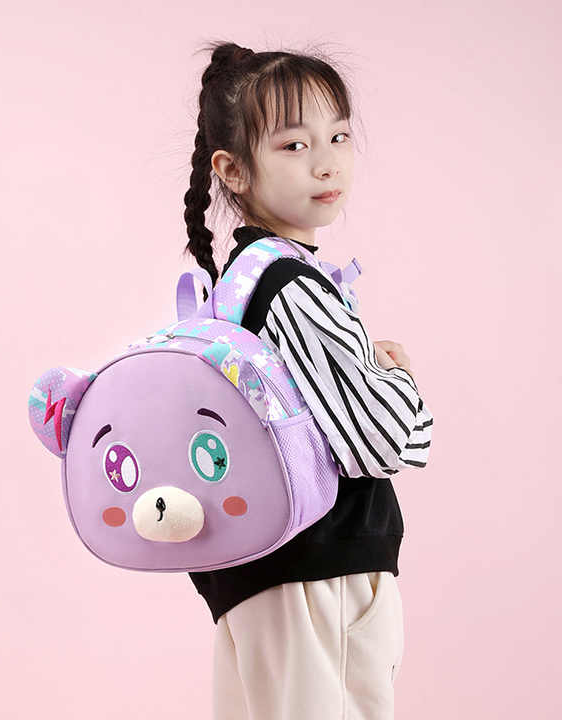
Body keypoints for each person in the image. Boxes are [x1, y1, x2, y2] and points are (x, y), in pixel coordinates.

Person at [183, 41, 434, 720]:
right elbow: (384, 444)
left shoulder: (239, 281)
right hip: (321, 573)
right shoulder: (291, 285)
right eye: (294, 145)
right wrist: (398, 376)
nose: (327, 162)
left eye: (338, 137)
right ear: (233, 170)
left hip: (264, 573)